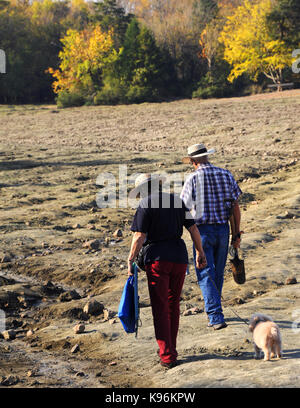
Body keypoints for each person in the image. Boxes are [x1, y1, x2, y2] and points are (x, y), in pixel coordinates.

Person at [127, 173, 207, 369]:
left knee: (160, 308)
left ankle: (167, 355)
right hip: (179, 258)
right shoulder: (177, 201)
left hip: (157, 261)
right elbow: (193, 229)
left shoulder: (145, 205)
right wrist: (200, 252)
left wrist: (130, 260)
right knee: (173, 305)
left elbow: (139, 236)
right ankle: (171, 349)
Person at [180, 143, 242, 330]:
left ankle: (215, 316)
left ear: (192, 161)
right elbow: (235, 207)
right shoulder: (226, 175)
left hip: (202, 231)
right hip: (223, 230)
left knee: (205, 272)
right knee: (216, 273)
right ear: (207, 157)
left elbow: (182, 209)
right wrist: (236, 233)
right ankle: (216, 311)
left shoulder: (192, 179)